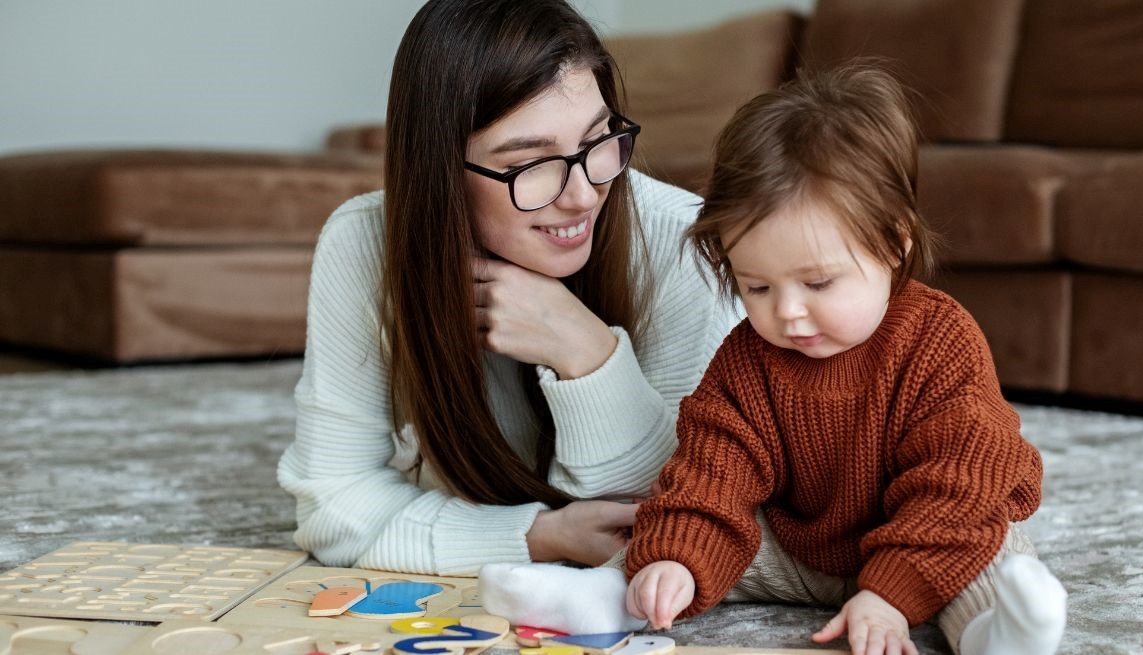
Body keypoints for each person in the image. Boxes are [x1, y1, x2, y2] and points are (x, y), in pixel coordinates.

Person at [481, 63, 1067, 655]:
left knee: (992, 549)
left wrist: (890, 594)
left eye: (817, 284)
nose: (787, 314)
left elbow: (960, 482)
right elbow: (714, 472)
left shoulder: (939, 340)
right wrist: (674, 561)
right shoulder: (749, 360)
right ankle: (606, 597)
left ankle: (998, 636)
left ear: (893, 244)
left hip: (923, 534)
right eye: (757, 287)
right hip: (803, 549)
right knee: (682, 536)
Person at [277, 0, 738, 577]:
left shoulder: (682, 241)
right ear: (441, 168)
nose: (583, 195)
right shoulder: (364, 242)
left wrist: (585, 352)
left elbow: (669, 516)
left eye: (599, 140)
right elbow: (333, 505)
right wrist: (541, 536)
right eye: (532, 164)